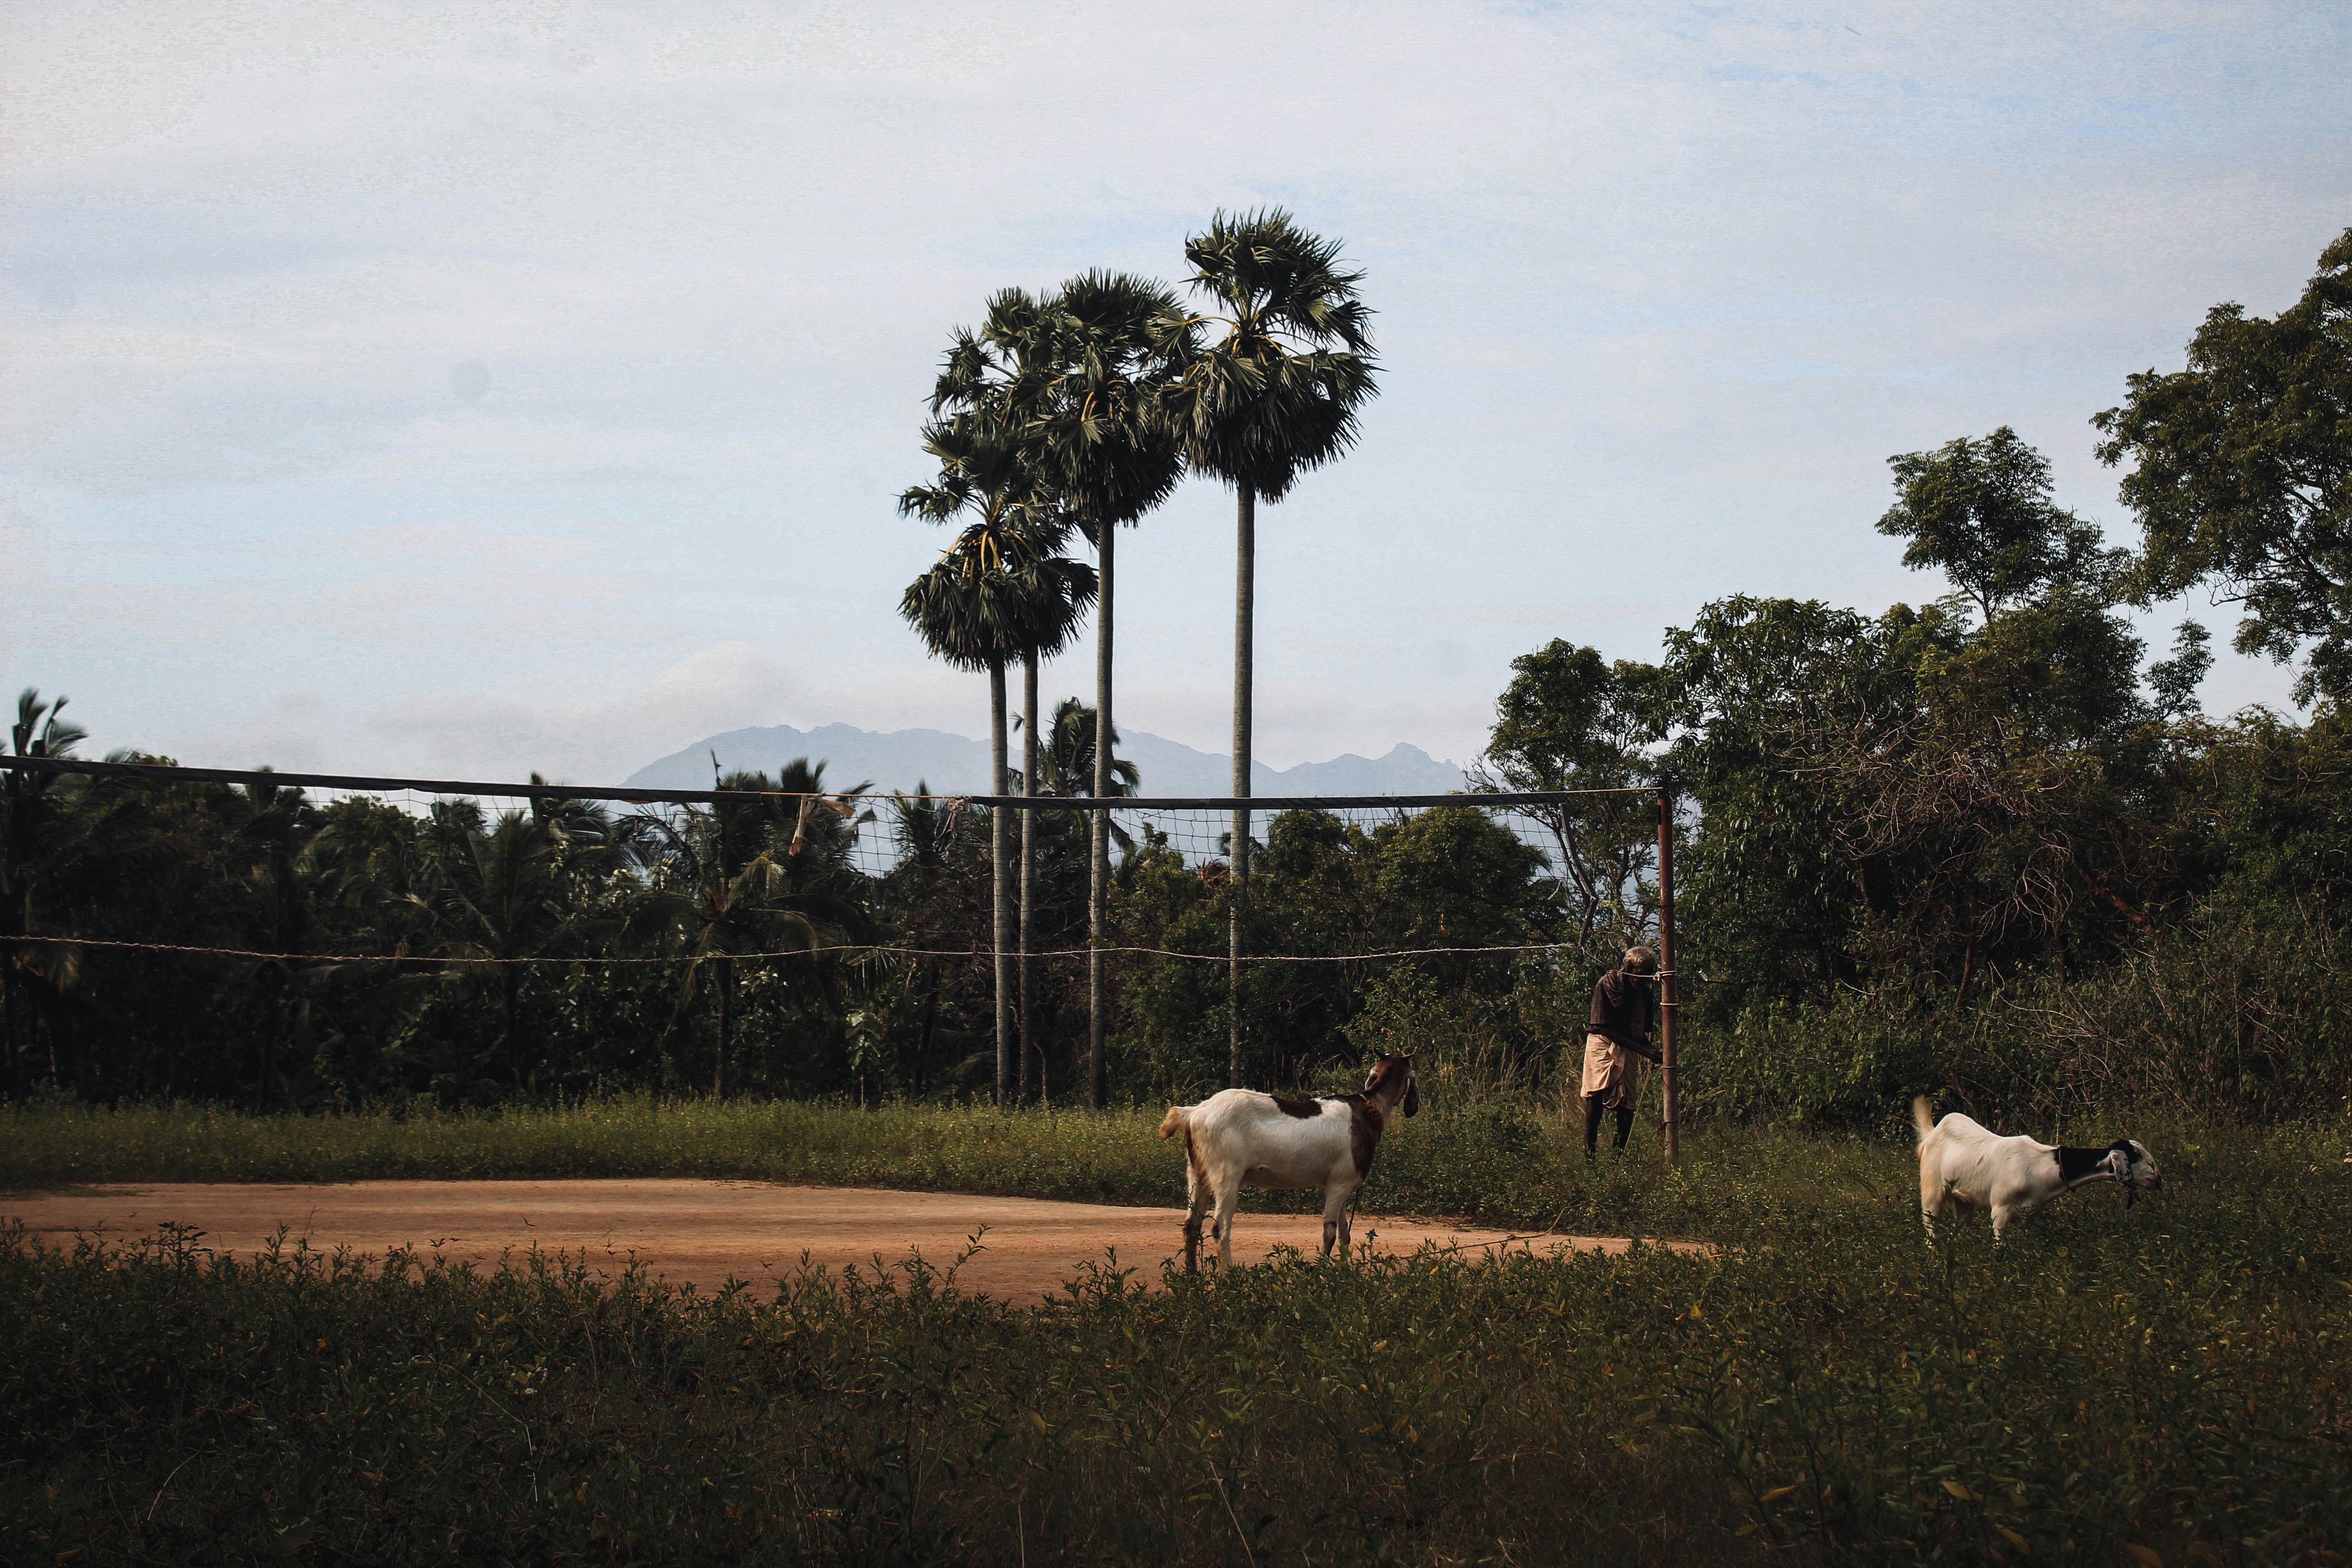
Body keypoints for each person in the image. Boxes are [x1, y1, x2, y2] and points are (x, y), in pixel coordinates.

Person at [1581, 946, 1661, 1156]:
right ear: (1628, 968)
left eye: (1648, 976)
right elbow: (1603, 1027)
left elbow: (1641, 1032)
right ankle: (1590, 1156)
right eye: (1641, 976)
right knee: (1595, 1098)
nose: (1643, 981)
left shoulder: (1644, 992)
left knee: (1627, 1104)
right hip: (1601, 1043)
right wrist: (1645, 1051)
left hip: (1630, 1045)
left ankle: (1618, 1159)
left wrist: (1655, 1052)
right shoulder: (1606, 985)